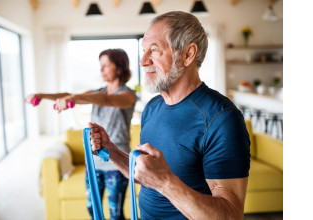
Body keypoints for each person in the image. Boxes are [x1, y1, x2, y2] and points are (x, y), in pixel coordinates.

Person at [89, 11, 251, 220]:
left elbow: (231, 215)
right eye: (144, 50)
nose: (143, 61)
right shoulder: (152, 107)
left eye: (154, 50)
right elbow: (147, 176)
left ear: (188, 54)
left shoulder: (221, 119)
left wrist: (166, 182)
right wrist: (112, 151)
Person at [25, 49, 137, 220]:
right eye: (101, 66)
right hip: (93, 162)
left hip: (117, 164)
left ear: (120, 68)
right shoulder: (96, 93)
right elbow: (69, 95)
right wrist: (42, 96)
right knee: (92, 211)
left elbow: (105, 100)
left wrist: (74, 99)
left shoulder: (128, 95)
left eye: (106, 66)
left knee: (116, 214)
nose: (102, 70)